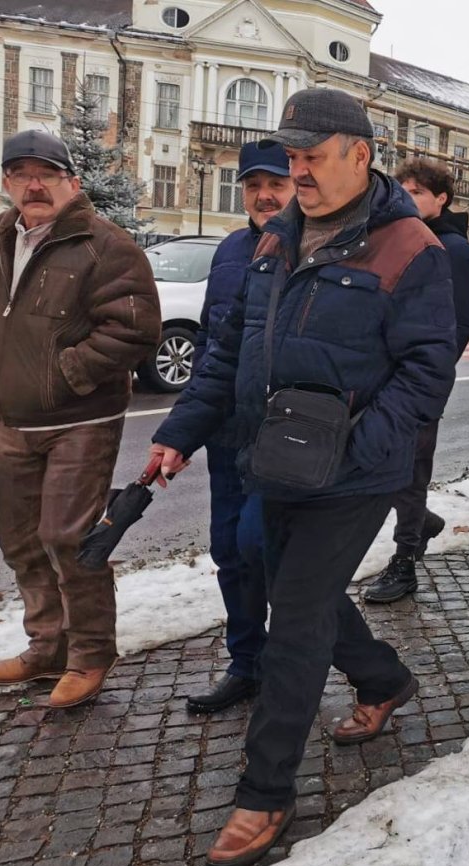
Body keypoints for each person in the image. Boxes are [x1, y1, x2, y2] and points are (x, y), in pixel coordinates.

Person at [147, 88, 458, 866]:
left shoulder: (412, 248)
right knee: (299, 596)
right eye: (291, 158)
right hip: (272, 456)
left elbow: (427, 374)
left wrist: (359, 449)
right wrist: (179, 434)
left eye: (311, 158)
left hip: (353, 474)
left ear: (361, 153)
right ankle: (384, 680)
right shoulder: (271, 240)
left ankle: (266, 790)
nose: (298, 173)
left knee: (296, 620)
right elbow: (227, 353)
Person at [0, 130, 161, 707]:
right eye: (21, 174)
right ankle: (46, 648)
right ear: (6, 182)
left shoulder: (106, 245)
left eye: (47, 174)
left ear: (72, 183)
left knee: (69, 538)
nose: (34, 185)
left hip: (80, 420)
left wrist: (66, 374)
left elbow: (135, 329)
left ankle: (89, 654)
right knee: (20, 542)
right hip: (10, 422)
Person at [186, 142, 294, 714]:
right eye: (252, 185)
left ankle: (315, 660)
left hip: (283, 437)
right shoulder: (231, 249)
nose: (263, 195)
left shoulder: (311, 245)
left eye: (275, 183)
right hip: (227, 434)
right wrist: (192, 423)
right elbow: (212, 338)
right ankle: (246, 662)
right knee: (229, 550)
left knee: (267, 551)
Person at [363, 158, 469, 604]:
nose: (407, 199)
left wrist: (432, 377)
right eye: (403, 190)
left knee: (410, 471)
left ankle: (405, 561)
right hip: (382, 374)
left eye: (418, 193)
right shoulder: (397, 236)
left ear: (441, 199)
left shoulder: (452, 248)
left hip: (420, 381)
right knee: (377, 462)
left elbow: (461, 322)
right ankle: (423, 521)